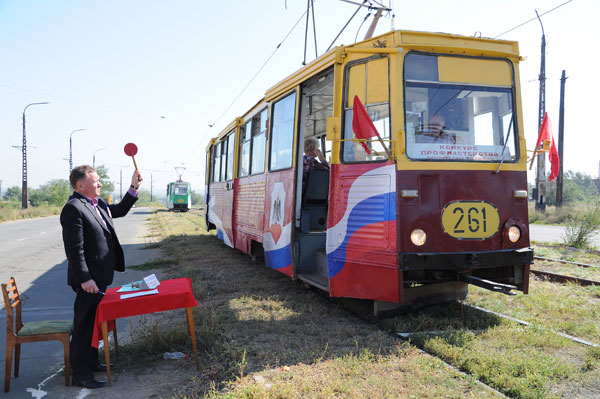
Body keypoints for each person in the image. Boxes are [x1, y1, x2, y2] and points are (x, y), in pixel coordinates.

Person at [60, 165, 142, 388]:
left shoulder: (98, 204)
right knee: (84, 325)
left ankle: (92, 361)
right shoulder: (73, 208)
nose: (100, 184)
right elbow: (74, 250)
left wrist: (134, 187)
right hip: (89, 280)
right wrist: (85, 278)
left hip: (101, 276)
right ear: (80, 185)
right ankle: (81, 374)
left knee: (94, 322)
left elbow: (121, 210)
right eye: (95, 181)